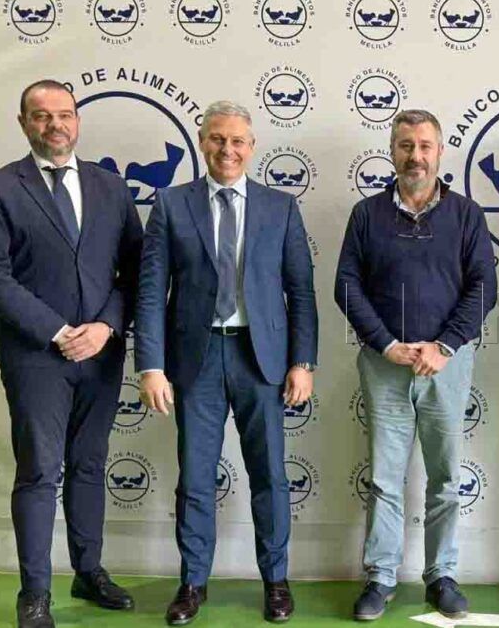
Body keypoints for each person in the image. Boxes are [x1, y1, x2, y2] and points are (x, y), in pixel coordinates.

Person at [0, 79, 143, 628]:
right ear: (24, 123)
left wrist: (106, 326)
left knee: (89, 464)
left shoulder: (112, 188)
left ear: (77, 120)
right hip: (35, 356)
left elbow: (135, 271)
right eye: (41, 116)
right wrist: (59, 331)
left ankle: (88, 572)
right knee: (40, 470)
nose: (55, 125)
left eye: (64, 114)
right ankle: (35, 593)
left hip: (101, 353)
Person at [136, 100, 318, 625]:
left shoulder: (280, 207)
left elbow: (300, 291)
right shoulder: (171, 205)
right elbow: (151, 292)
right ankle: (193, 583)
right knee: (195, 478)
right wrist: (150, 366)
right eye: (217, 138)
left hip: (262, 360)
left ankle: (276, 581)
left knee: (270, 476)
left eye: (237, 140)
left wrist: (303, 362)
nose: (227, 149)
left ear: (252, 147)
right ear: (202, 143)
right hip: (195, 360)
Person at [335, 109, 497, 622]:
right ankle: (381, 577)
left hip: (446, 363)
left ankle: (441, 576)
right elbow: (346, 285)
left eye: (425, 146)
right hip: (384, 364)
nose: (415, 156)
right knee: (385, 477)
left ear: (440, 152)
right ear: (392, 151)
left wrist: (443, 346)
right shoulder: (366, 214)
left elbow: (484, 287)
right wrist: (386, 344)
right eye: (406, 145)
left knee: (445, 475)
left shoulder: (466, 215)